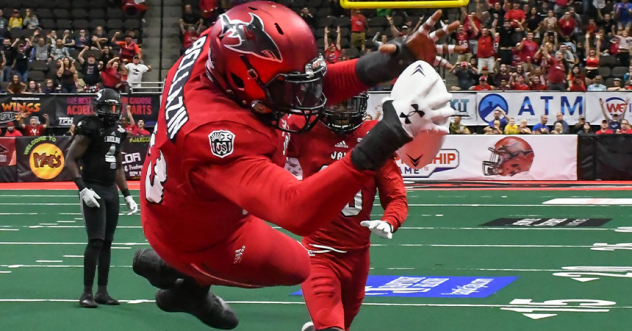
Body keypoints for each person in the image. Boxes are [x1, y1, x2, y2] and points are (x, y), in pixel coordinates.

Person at [132, 4, 457, 329]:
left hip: (182, 194)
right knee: (296, 266)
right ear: (243, 78)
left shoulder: (219, 48)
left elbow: (306, 85)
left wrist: (388, 63)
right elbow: (297, 211)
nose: (302, 91)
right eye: (288, 85)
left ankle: (180, 273)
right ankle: (183, 272)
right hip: (192, 235)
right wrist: (385, 137)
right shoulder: (215, 133)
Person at [286, 96, 408, 331]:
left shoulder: (371, 139)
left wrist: (390, 221)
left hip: (357, 256)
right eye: (337, 103)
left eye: (347, 103)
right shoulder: (304, 131)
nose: (341, 110)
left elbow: (396, 197)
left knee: (343, 324)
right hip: (318, 253)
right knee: (332, 326)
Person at [65, 88, 138, 308]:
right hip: (93, 187)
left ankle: (102, 291)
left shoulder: (118, 130)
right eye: (108, 107)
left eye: (115, 107)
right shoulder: (90, 128)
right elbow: (70, 159)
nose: (112, 112)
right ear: (98, 108)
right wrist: (83, 189)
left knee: (107, 241)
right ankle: (86, 292)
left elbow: (117, 165)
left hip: (110, 190)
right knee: (95, 241)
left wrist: (126, 194)